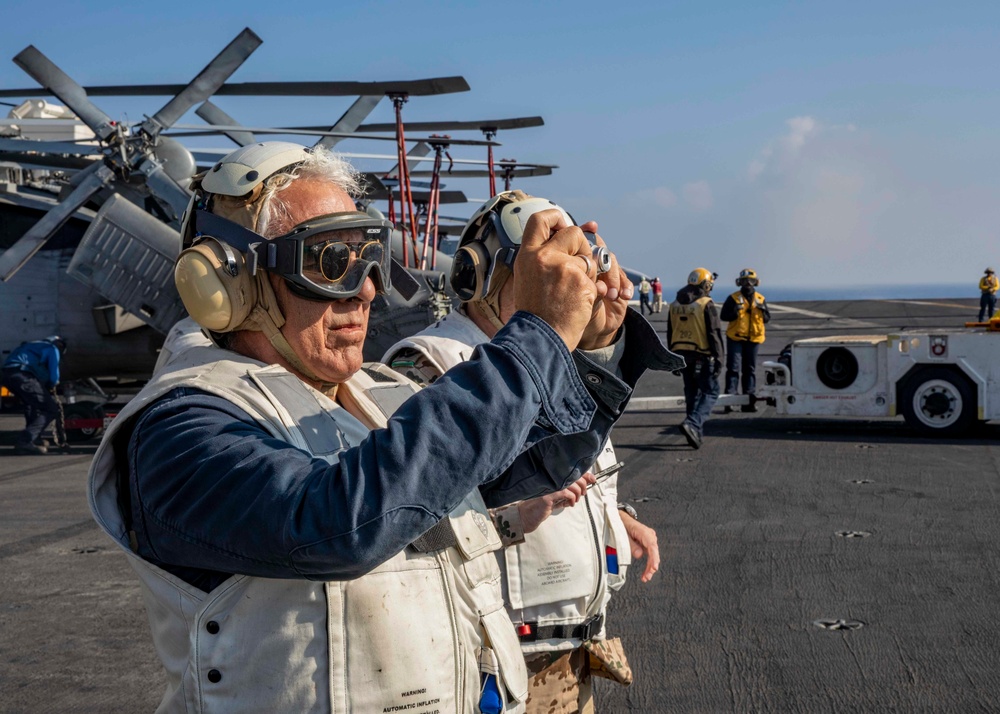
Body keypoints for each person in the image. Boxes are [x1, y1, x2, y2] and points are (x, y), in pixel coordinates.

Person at [87, 142, 666, 713]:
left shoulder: (375, 395)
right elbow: (337, 521)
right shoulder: (180, 429)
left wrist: (592, 351)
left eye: (370, 258)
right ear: (231, 280)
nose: (366, 289)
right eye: (331, 263)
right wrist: (537, 333)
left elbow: (516, 467)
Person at [383, 191, 677, 714]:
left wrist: (615, 515)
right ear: (482, 276)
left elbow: (578, 465)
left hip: (574, 653)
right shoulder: (430, 362)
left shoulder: (564, 364)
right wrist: (514, 516)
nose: (565, 283)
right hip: (493, 661)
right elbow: (411, 513)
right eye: (545, 268)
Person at [667, 268, 725, 449]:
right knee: (711, 391)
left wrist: (673, 358)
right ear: (705, 284)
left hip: (682, 355)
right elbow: (714, 333)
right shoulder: (705, 303)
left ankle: (694, 433)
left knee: (692, 393)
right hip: (702, 354)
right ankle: (693, 423)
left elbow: (670, 332)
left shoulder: (675, 304)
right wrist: (720, 358)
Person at [1, 335, 66, 455]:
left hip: (7, 376)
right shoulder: (52, 348)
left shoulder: (30, 345)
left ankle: (35, 438)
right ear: (60, 344)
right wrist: (52, 384)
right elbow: (53, 377)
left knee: (31, 405)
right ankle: (25, 441)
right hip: (23, 376)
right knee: (50, 409)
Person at [720, 268, 771, 412]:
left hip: (753, 339)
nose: (748, 283)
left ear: (756, 282)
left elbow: (767, 319)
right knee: (733, 368)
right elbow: (724, 316)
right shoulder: (733, 298)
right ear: (740, 282)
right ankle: (730, 399)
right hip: (735, 338)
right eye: (745, 281)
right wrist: (734, 312)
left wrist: (762, 311)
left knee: (750, 370)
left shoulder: (760, 299)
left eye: (751, 281)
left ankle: (748, 401)